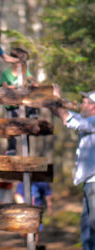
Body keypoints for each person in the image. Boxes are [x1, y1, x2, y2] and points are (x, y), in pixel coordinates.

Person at [50, 85, 95, 250]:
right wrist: (52, 100)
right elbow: (61, 114)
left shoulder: (93, 121)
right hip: (90, 182)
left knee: (93, 226)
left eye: (84, 103)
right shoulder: (88, 121)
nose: (81, 105)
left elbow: (66, 119)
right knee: (86, 226)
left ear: (93, 106)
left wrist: (57, 97)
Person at [0, 47, 37, 155]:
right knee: (12, 128)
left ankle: (32, 113)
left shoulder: (25, 72)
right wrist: (8, 87)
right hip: (12, 106)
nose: (22, 64)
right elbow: (3, 84)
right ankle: (11, 149)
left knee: (26, 130)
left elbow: (31, 79)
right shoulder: (6, 73)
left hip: (24, 104)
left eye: (24, 62)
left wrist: (33, 83)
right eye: (20, 61)